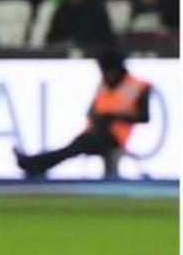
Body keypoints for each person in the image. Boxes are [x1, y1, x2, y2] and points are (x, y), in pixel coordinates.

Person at [15, 50, 151, 178]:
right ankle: (35, 164)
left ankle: (34, 164)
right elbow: (92, 109)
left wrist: (113, 117)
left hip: (115, 138)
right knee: (71, 149)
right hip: (95, 131)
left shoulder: (139, 86)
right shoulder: (104, 84)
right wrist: (97, 118)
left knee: (72, 149)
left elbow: (144, 117)